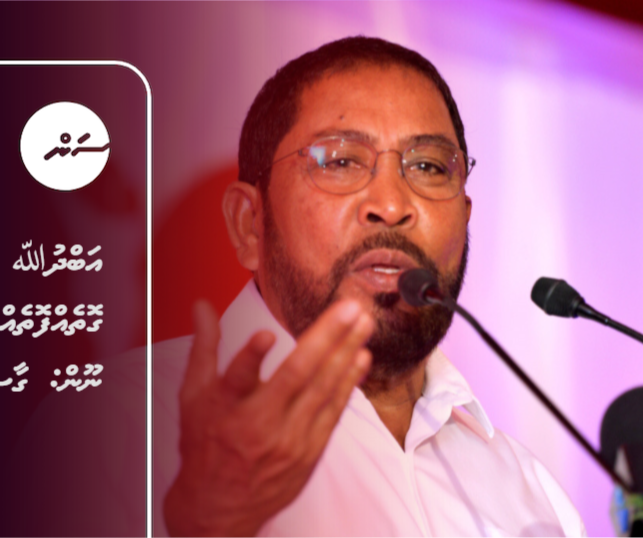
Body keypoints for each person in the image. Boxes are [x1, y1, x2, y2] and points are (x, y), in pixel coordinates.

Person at [154, 37, 587, 537]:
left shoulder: (533, 497)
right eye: (341, 161)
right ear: (251, 224)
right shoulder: (124, 424)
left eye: (427, 167)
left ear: (466, 216)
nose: (391, 204)